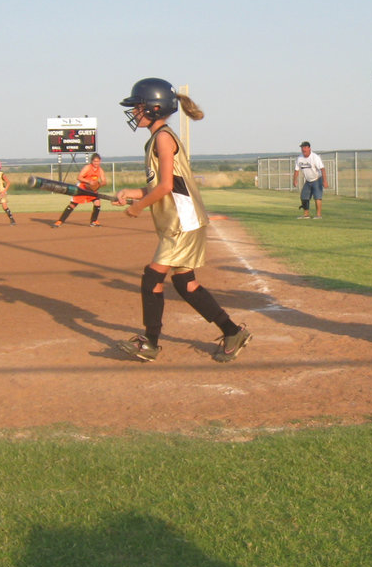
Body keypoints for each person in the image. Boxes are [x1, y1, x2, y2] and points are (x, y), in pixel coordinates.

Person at [111, 78, 252, 363]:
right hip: (182, 219)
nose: (135, 112)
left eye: (138, 106)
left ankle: (150, 342)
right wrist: (133, 193)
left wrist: (138, 206)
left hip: (181, 221)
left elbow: (164, 188)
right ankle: (232, 331)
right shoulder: (159, 137)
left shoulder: (163, 137)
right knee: (186, 283)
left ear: (153, 108)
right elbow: (165, 185)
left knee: (152, 277)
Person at [53, 153, 107, 228]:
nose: (96, 163)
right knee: (73, 205)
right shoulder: (87, 168)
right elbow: (79, 177)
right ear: (92, 161)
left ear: (100, 161)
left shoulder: (100, 170)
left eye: (97, 161)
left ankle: (94, 221)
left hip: (91, 189)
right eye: (94, 161)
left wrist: (99, 184)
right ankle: (60, 221)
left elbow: (104, 181)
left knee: (97, 202)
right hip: (82, 188)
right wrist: (89, 182)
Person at [292, 141, 328, 219]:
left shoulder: (315, 157)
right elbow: (296, 170)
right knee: (303, 196)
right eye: (302, 148)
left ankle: (318, 215)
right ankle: (306, 214)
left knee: (317, 197)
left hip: (317, 179)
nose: (303, 149)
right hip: (308, 181)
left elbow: (322, 169)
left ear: (309, 148)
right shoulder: (300, 158)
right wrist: (294, 180)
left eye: (305, 147)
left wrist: (325, 181)